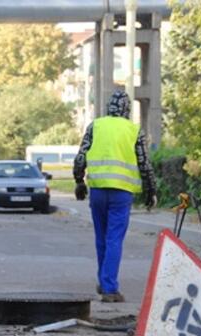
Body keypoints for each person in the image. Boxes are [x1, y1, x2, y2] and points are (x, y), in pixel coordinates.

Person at [73, 90, 157, 303]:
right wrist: (151, 190)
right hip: (121, 193)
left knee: (101, 238)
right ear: (127, 110)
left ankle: (104, 282)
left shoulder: (96, 126)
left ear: (109, 107)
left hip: (99, 190)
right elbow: (144, 163)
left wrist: (79, 182)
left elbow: (81, 156)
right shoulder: (133, 130)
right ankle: (110, 288)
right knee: (114, 239)